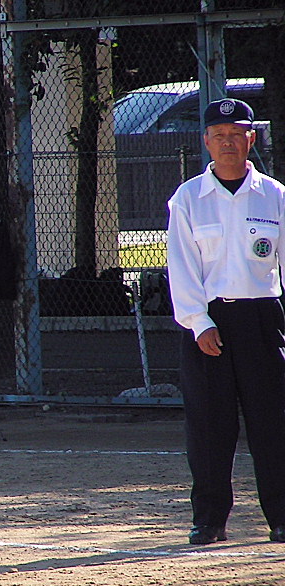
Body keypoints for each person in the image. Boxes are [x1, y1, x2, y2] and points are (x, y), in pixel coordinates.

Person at [166, 98, 285, 545]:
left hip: (263, 318)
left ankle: (281, 515)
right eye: (219, 135)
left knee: (272, 422)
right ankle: (210, 519)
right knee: (209, 426)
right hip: (209, 322)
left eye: (237, 134)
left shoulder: (274, 196)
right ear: (206, 141)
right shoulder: (188, 199)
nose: (228, 142)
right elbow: (181, 266)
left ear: (251, 139)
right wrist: (198, 322)